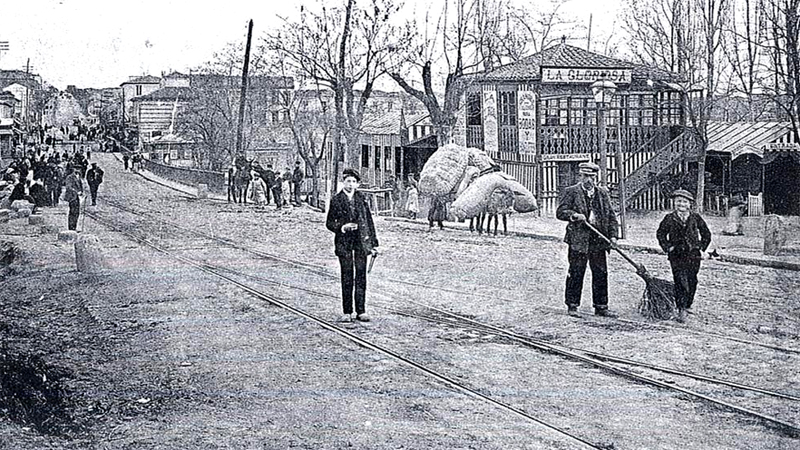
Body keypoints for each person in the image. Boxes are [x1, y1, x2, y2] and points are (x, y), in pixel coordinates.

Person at [556, 162, 619, 317]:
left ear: (595, 177)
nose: (589, 180)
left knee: (600, 272)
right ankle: (572, 305)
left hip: (598, 239)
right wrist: (574, 215)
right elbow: (560, 212)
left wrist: (613, 236)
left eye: (592, 177)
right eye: (586, 176)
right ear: (580, 176)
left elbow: (611, 216)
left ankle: (601, 306)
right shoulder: (572, 192)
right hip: (579, 240)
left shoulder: (602, 193)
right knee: (576, 272)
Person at [325, 168, 379, 323]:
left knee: (361, 276)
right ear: (343, 182)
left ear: (357, 184)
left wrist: (374, 243)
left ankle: (361, 311)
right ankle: (347, 311)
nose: (351, 184)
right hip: (344, 243)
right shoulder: (336, 200)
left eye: (354, 182)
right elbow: (329, 223)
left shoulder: (362, 199)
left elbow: (369, 222)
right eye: (348, 181)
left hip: (361, 242)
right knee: (347, 275)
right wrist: (342, 227)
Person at [656, 189, 712, 323]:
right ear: (674, 203)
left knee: (692, 280)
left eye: (684, 202)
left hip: (693, 255)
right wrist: (668, 247)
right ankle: (681, 308)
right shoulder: (669, 218)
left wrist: (701, 249)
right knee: (680, 281)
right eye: (678, 201)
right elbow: (660, 234)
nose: (681, 204)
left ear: (689, 204)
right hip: (677, 255)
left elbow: (706, 234)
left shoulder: (695, 218)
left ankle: (687, 304)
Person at [63, 166, 84, 231]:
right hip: (72, 197)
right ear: (73, 169)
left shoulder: (79, 177)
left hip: (77, 197)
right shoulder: (70, 177)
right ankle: (71, 228)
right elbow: (68, 187)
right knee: (72, 212)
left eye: (79, 169)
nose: (78, 170)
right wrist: (77, 192)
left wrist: (82, 192)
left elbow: (80, 187)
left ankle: (74, 227)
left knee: (77, 212)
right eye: (76, 169)